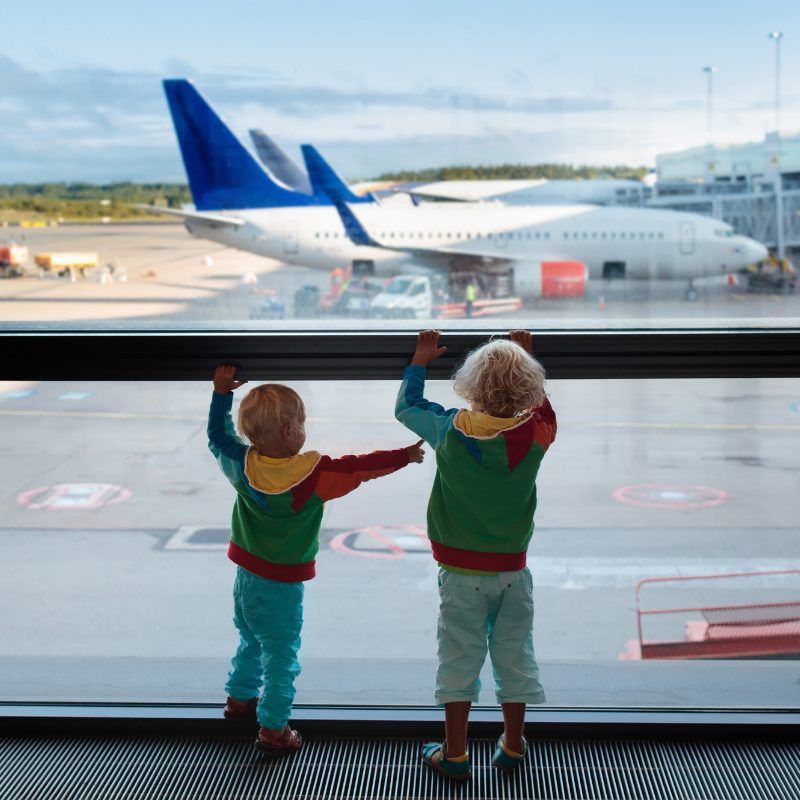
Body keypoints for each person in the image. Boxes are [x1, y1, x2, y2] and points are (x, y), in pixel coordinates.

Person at [208, 364, 425, 755]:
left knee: (250, 639)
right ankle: (273, 729)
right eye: (302, 423)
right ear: (291, 431)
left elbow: (217, 436)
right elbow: (360, 467)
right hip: (282, 585)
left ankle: (238, 700)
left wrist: (222, 394)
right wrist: (405, 456)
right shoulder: (314, 475)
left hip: (245, 578)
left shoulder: (240, 465)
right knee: (281, 657)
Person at [395, 330, 556, 781]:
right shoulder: (537, 433)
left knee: (459, 658)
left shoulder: (449, 430)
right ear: (529, 386)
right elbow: (542, 406)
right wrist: (523, 354)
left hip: (459, 572)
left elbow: (406, 408)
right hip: (512, 571)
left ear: (468, 386)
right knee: (514, 656)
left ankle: (456, 753)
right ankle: (512, 744)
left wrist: (419, 361)